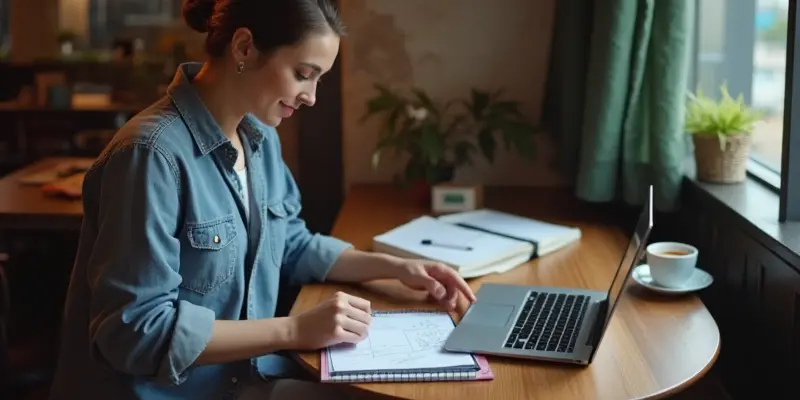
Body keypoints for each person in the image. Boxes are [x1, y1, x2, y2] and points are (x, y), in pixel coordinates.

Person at [47, 0, 477, 399]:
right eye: (303, 74)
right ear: (245, 47)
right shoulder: (150, 154)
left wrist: (396, 268)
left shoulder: (260, 138)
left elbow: (287, 241)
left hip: (242, 381)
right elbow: (136, 332)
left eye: (319, 79)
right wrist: (293, 331)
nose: (311, 96)